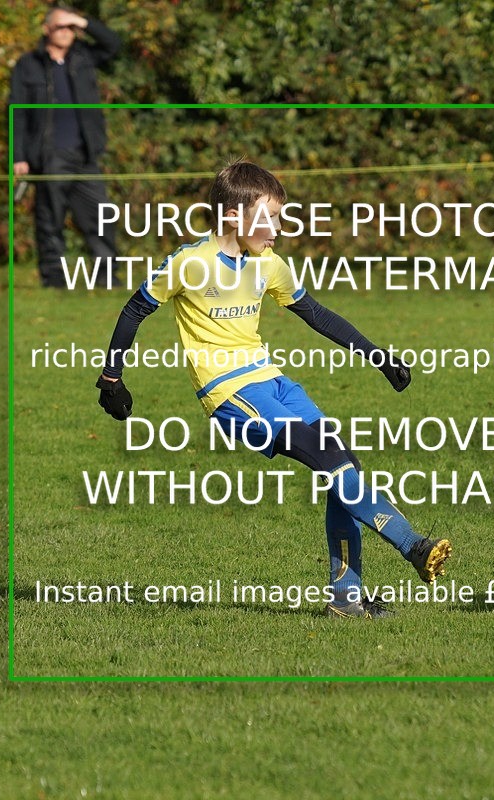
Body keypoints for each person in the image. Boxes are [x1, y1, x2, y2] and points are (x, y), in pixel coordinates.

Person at [95, 159, 452, 619]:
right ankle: (413, 545)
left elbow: (316, 314)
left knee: (344, 465)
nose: (277, 229)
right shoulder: (189, 263)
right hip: (230, 393)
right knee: (332, 461)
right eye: (269, 217)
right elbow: (133, 311)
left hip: (275, 382)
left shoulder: (268, 265)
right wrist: (111, 378)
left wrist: (376, 355)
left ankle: (345, 599)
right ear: (232, 215)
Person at [9, 6, 121, 287]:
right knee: (50, 220)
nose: (67, 32)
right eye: (61, 26)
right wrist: (18, 155)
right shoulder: (28, 65)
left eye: (71, 27)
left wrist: (81, 20)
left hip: (84, 154)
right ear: (47, 30)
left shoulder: (82, 57)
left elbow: (113, 44)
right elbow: (16, 112)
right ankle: (54, 279)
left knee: (101, 215)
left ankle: (107, 277)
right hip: (49, 155)